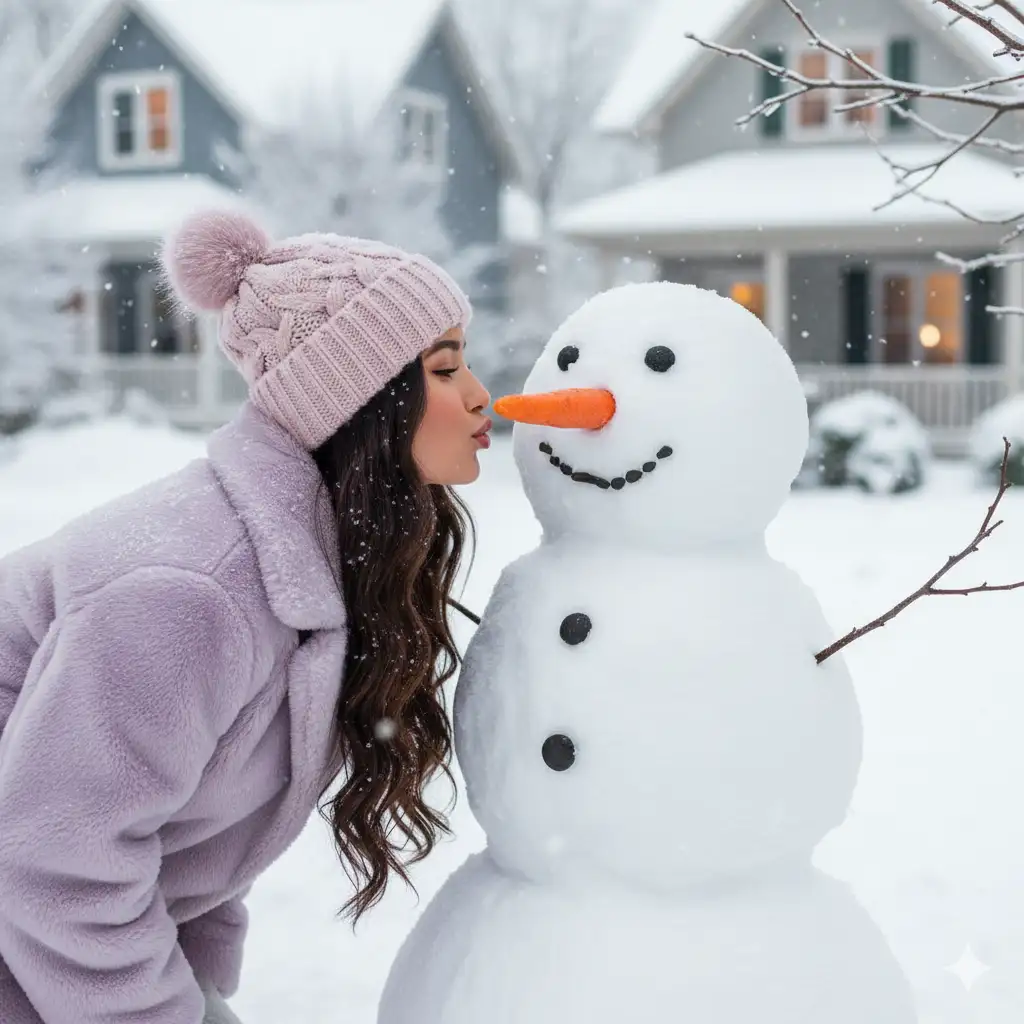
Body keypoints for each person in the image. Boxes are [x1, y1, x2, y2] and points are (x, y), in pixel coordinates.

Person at [0, 210, 492, 1024]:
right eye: (444, 370)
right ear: (362, 403)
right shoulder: (191, 592)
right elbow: (51, 859)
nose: (480, 393)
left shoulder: (311, 575)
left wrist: (197, 981)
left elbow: (188, 820)